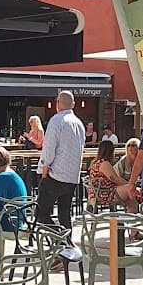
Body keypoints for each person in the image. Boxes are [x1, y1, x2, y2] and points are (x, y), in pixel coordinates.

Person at [37, 89, 87, 232]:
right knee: (65, 213)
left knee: (42, 213)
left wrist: (44, 167)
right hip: (72, 176)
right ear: (73, 104)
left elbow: (49, 147)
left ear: (57, 103)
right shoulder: (79, 124)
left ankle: (60, 237)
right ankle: (67, 245)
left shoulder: (57, 120)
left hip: (55, 174)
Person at [87, 140, 125, 210]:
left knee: (130, 192)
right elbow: (117, 180)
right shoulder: (104, 164)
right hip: (104, 194)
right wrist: (130, 184)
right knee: (130, 191)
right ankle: (133, 214)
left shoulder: (95, 162)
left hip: (96, 193)